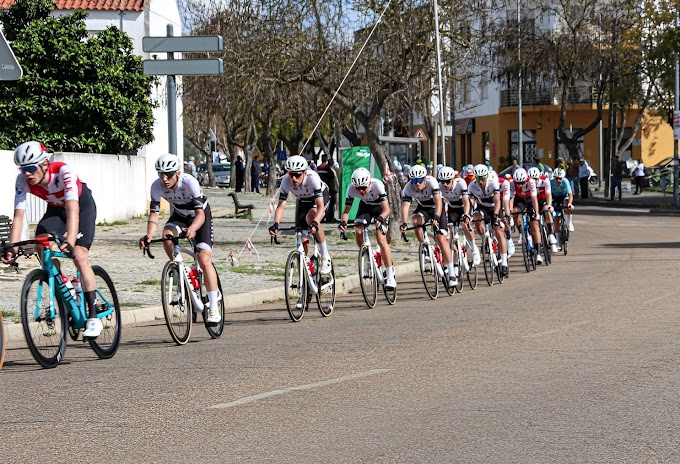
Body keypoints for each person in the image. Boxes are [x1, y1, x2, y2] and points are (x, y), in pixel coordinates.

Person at [1, 141, 104, 337]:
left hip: (81, 206)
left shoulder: (64, 173)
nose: (27, 174)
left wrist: (70, 240)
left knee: (79, 256)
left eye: (31, 168)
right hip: (56, 210)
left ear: (44, 164)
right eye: (23, 170)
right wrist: (12, 248)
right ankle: (64, 283)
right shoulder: (22, 181)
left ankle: (93, 318)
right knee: (41, 241)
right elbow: (19, 216)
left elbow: (73, 209)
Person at [139, 154, 221, 323]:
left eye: (168, 174)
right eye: (161, 174)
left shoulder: (189, 182)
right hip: (180, 215)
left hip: (200, 216)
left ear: (178, 173)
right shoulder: (156, 186)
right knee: (166, 236)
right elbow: (154, 214)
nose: (164, 178)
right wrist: (148, 235)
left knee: (204, 259)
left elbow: (200, 215)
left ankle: (213, 308)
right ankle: (180, 269)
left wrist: (192, 229)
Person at [269, 155, 332, 275]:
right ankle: (304, 278)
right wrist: (275, 224)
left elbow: (320, 207)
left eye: (297, 174)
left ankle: (325, 256)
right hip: (303, 201)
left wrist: (314, 223)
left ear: (304, 172)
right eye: (291, 174)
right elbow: (281, 205)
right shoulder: (286, 181)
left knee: (311, 218)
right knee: (302, 237)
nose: (293, 178)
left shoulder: (312, 178)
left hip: (319, 198)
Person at [399, 164, 457, 288]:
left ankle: (452, 273)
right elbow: (405, 206)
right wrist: (403, 223)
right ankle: (424, 246)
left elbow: (438, 202)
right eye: (413, 180)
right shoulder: (408, 188)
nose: (416, 184)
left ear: (424, 179)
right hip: (424, 208)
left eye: (419, 180)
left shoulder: (432, 182)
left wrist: (436, 217)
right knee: (415, 220)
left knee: (441, 239)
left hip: (437, 208)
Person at [338, 167, 396, 290]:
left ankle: (390, 275)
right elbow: (346, 212)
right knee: (358, 230)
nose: (361, 191)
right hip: (365, 207)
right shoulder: (351, 189)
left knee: (381, 239)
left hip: (380, 208)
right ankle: (368, 255)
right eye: (358, 189)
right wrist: (343, 223)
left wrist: (380, 219)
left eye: (364, 188)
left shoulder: (377, 185)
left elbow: (387, 209)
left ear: (369, 183)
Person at [467, 164, 509, 276]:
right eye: (477, 178)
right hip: (482, 207)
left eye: (482, 178)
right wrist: (468, 214)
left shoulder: (493, 182)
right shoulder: (472, 186)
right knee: (476, 217)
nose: (480, 181)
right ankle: (484, 238)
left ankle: (504, 263)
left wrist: (495, 214)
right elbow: (470, 202)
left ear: (486, 176)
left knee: (499, 231)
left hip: (494, 207)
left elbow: (497, 202)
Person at [437, 166, 480, 267]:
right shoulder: (439, 186)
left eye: (447, 181)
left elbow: (466, 200)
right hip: (453, 207)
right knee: (452, 230)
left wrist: (466, 215)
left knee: (465, 225)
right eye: (443, 182)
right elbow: (440, 203)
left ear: (452, 179)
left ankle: (474, 249)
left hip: (464, 206)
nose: (445, 184)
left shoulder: (460, 183)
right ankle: (456, 259)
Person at [510, 167, 545, 264]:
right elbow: (511, 198)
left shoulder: (531, 182)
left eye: (522, 183)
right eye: (518, 183)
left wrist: (537, 213)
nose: (520, 185)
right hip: (519, 200)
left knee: (534, 225)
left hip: (530, 200)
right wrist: (509, 213)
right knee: (515, 212)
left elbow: (534, 198)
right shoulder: (512, 183)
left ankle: (538, 253)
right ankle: (521, 232)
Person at [528, 166, 558, 253]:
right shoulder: (528, 183)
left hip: (542, 200)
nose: (534, 181)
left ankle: (551, 235)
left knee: (547, 210)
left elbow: (548, 194)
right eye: (532, 179)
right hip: (533, 202)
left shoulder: (545, 180)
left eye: (536, 179)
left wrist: (549, 205)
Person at [550, 167, 574, 250]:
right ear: (554, 177)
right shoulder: (550, 183)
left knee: (567, 204)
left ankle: (569, 222)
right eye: (556, 178)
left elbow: (570, 194)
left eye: (560, 179)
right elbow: (548, 196)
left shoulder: (566, 181)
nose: (558, 180)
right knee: (556, 219)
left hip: (564, 197)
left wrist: (570, 204)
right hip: (555, 198)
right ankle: (558, 241)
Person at [316, 154, 339, 222]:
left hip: (319, 189)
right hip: (329, 190)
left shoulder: (317, 168)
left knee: (320, 204)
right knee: (330, 204)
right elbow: (333, 179)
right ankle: (329, 218)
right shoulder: (328, 169)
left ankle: (321, 218)